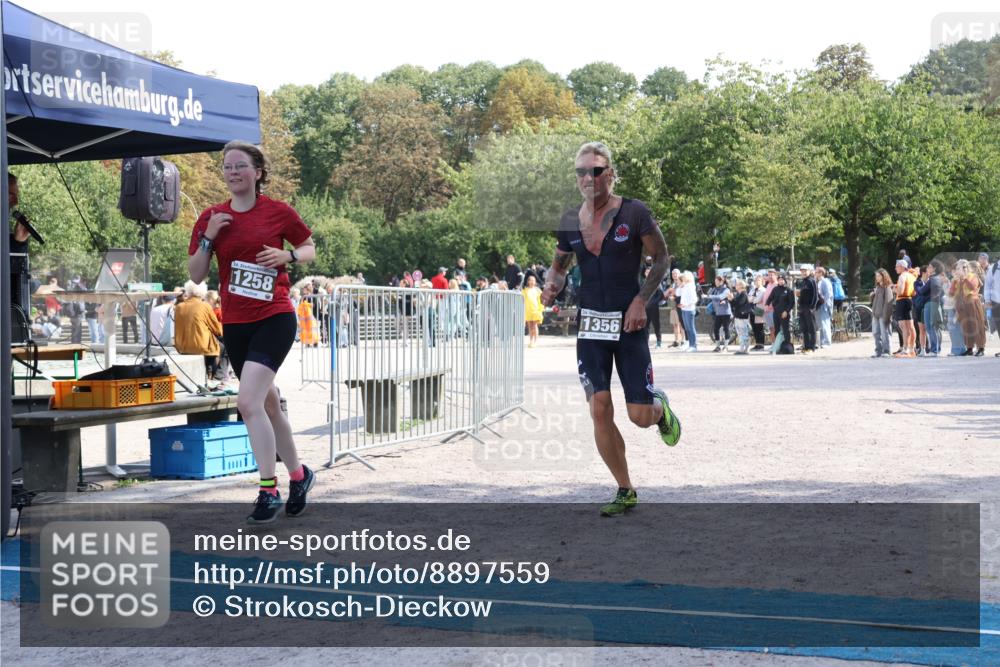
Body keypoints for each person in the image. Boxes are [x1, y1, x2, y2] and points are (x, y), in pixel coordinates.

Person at [541, 141, 681, 518]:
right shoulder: (570, 220)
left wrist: (641, 300)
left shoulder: (634, 213)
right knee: (599, 408)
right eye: (582, 172)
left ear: (611, 174)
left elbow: (662, 257)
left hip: (630, 322)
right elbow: (559, 264)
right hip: (591, 326)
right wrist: (551, 283)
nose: (589, 177)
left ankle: (659, 407)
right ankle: (625, 488)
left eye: (596, 170)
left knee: (638, 416)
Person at [188, 140, 316, 524]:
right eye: (227, 166)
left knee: (247, 403)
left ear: (257, 172)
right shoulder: (212, 217)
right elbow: (195, 274)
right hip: (237, 322)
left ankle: (267, 488)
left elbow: (308, 247)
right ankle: (299, 475)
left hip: (275, 316)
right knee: (268, 404)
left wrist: (286, 256)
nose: (232, 172)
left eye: (240, 166)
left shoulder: (277, 212)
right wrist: (209, 236)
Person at [951, 259, 986, 356]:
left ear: (966, 268)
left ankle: (981, 348)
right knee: (966, 327)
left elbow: (973, 287)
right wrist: (954, 282)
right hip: (963, 305)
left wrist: (965, 279)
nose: (959, 270)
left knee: (977, 325)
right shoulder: (958, 279)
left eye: (961, 268)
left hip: (973, 303)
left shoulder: (973, 276)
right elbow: (952, 293)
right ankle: (969, 348)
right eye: (958, 268)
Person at [892, 259, 917, 357]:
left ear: (902, 267)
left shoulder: (902, 276)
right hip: (909, 300)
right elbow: (914, 292)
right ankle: (911, 348)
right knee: (911, 326)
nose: (895, 268)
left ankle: (905, 348)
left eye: (896, 266)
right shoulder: (912, 276)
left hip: (902, 300)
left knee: (904, 326)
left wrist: (894, 289)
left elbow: (901, 291)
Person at [767, 274, 794, 354]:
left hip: (784, 312)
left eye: (782, 280)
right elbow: (770, 298)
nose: (781, 281)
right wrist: (766, 304)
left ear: (785, 281)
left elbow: (792, 302)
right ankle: (777, 346)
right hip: (776, 312)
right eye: (779, 280)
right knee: (777, 330)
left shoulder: (788, 290)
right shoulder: (775, 289)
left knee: (786, 330)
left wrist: (787, 311)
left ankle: (787, 346)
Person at [870, 269, 894, 358]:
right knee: (876, 333)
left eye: (879, 276)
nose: (877, 278)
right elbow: (875, 302)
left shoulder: (887, 288)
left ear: (884, 276)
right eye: (876, 276)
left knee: (885, 333)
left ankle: (886, 351)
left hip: (883, 315)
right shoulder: (878, 287)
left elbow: (888, 302)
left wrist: (886, 316)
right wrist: (872, 295)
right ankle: (878, 351)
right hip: (876, 314)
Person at [706, 275, 732, 352]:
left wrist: (709, 296)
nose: (716, 283)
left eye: (717, 281)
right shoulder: (715, 289)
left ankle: (726, 346)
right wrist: (708, 295)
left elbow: (720, 297)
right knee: (716, 328)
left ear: (721, 281)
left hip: (726, 313)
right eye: (715, 281)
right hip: (718, 312)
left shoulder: (726, 289)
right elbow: (713, 297)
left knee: (726, 329)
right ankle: (717, 346)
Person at [796, 267, 819, 354]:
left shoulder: (812, 281)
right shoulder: (802, 282)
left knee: (811, 328)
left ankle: (811, 347)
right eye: (802, 271)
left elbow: (815, 296)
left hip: (809, 307)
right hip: (802, 307)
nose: (804, 273)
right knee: (804, 328)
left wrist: (812, 308)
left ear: (809, 271)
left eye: (805, 271)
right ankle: (806, 346)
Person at [643, 267, 666, 348]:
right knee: (645, 325)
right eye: (646, 272)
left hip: (654, 307)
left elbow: (661, 295)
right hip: (645, 308)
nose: (648, 274)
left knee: (656, 325)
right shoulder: (643, 282)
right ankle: (645, 342)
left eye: (649, 272)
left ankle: (659, 342)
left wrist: (652, 303)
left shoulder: (656, 282)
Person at [678, 270, 699, 351]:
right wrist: (680, 286)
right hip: (684, 309)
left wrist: (686, 304)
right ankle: (690, 344)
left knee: (691, 327)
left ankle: (694, 345)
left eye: (684, 276)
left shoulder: (690, 286)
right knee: (687, 328)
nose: (683, 278)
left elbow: (694, 299)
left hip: (689, 309)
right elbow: (678, 294)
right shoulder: (684, 286)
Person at [984, 253, 1000, 355]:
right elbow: (987, 285)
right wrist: (987, 300)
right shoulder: (994, 268)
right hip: (995, 301)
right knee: (999, 326)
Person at [731, 279, 752, 354]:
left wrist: (732, 299)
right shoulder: (739, 294)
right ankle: (742, 348)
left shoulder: (743, 294)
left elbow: (739, 304)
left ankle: (745, 348)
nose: (736, 286)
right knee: (740, 332)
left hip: (742, 316)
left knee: (743, 332)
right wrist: (731, 300)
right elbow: (734, 304)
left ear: (740, 286)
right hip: (738, 316)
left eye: (737, 284)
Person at [522, 274, 543, 348]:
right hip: (528, 310)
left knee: (535, 325)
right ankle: (531, 340)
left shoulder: (538, 290)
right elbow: (523, 300)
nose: (532, 282)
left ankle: (535, 341)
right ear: (528, 282)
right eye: (530, 280)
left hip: (536, 309)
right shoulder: (525, 290)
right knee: (530, 326)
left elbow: (541, 300)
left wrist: (541, 309)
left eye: (533, 280)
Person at [815, 267, 834, 348]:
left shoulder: (825, 281)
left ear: (820, 273)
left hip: (824, 306)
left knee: (825, 324)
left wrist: (825, 303)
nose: (815, 274)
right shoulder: (818, 281)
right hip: (819, 305)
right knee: (820, 324)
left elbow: (828, 295)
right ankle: (822, 342)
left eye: (816, 272)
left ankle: (827, 342)